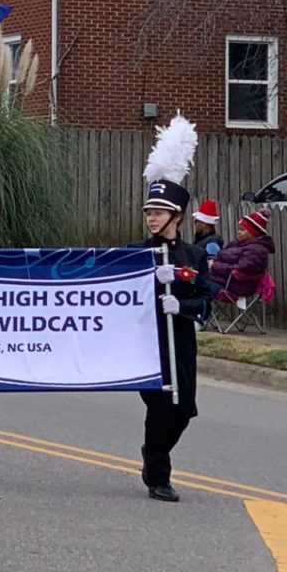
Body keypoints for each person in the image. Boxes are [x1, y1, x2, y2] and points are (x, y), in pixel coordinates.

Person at [136, 177, 210, 503]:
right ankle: (158, 475)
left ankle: (151, 450)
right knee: (160, 407)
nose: (152, 218)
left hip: (180, 341)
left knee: (183, 411)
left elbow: (207, 303)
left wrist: (181, 306)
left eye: (159, 212)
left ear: (177, 216)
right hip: (147, 343)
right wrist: (150, 283)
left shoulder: (194, 256)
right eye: (148, 212)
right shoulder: (135, 253)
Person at [210, 210, 275, 301]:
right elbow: (221, 257)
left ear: (253, 233)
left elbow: (240, 270)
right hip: (222, 280)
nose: (238, 232)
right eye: (239, 229)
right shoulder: (236, 244)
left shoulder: (258, 251)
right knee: (193, 278)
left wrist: (214, 265)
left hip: (238, 287)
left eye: (242, 230)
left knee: (197, 283)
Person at [190, 199, 224, 264]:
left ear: (204, 224)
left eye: (196, 221)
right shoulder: (201, 241)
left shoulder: (211, 243)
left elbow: (212, 266)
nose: (195, 224)